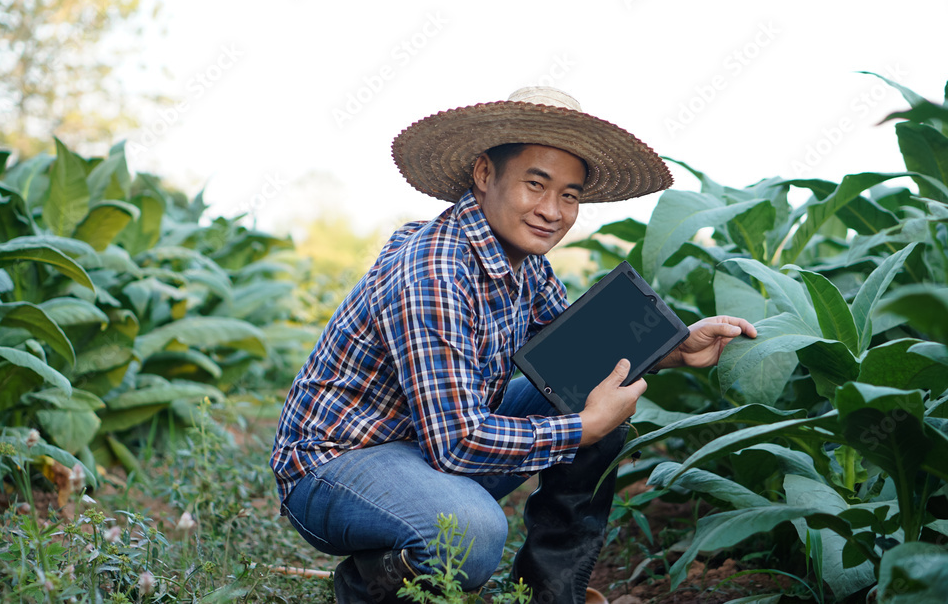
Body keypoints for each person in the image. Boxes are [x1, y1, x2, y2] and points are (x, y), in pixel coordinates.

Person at [269, 86, 757, 604]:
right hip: (334, 467)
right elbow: (455, 444)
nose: (552, 210)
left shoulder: (525, 264)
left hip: (421, 445)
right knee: (472, 534)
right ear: (484, 175)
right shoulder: (434, 272)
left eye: (569, 195)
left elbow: (577, 351)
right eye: (535, 184)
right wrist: (584, 427)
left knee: (597, 386)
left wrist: (674, 347)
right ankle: (369, 582)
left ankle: (548, 593)